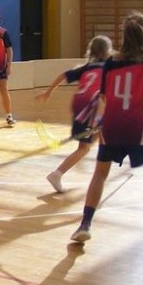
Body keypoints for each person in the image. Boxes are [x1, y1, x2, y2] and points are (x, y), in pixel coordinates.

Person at [69, 12, 143, 247]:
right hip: (137, 128)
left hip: (111, 126)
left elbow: (104, 97)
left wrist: (98, 121)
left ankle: (85, 225)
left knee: (100, 174)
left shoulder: (111, 62)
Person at [35, 35, 114, 193]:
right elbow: (105, 94)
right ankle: (57, 174)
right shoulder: (109, 68)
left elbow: (63, 75)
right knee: (84, 147)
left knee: (97, 137)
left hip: (78, 105)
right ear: (107, 52)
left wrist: (48, 92)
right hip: (91, 106)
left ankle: (102, 166)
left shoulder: (86, 67)